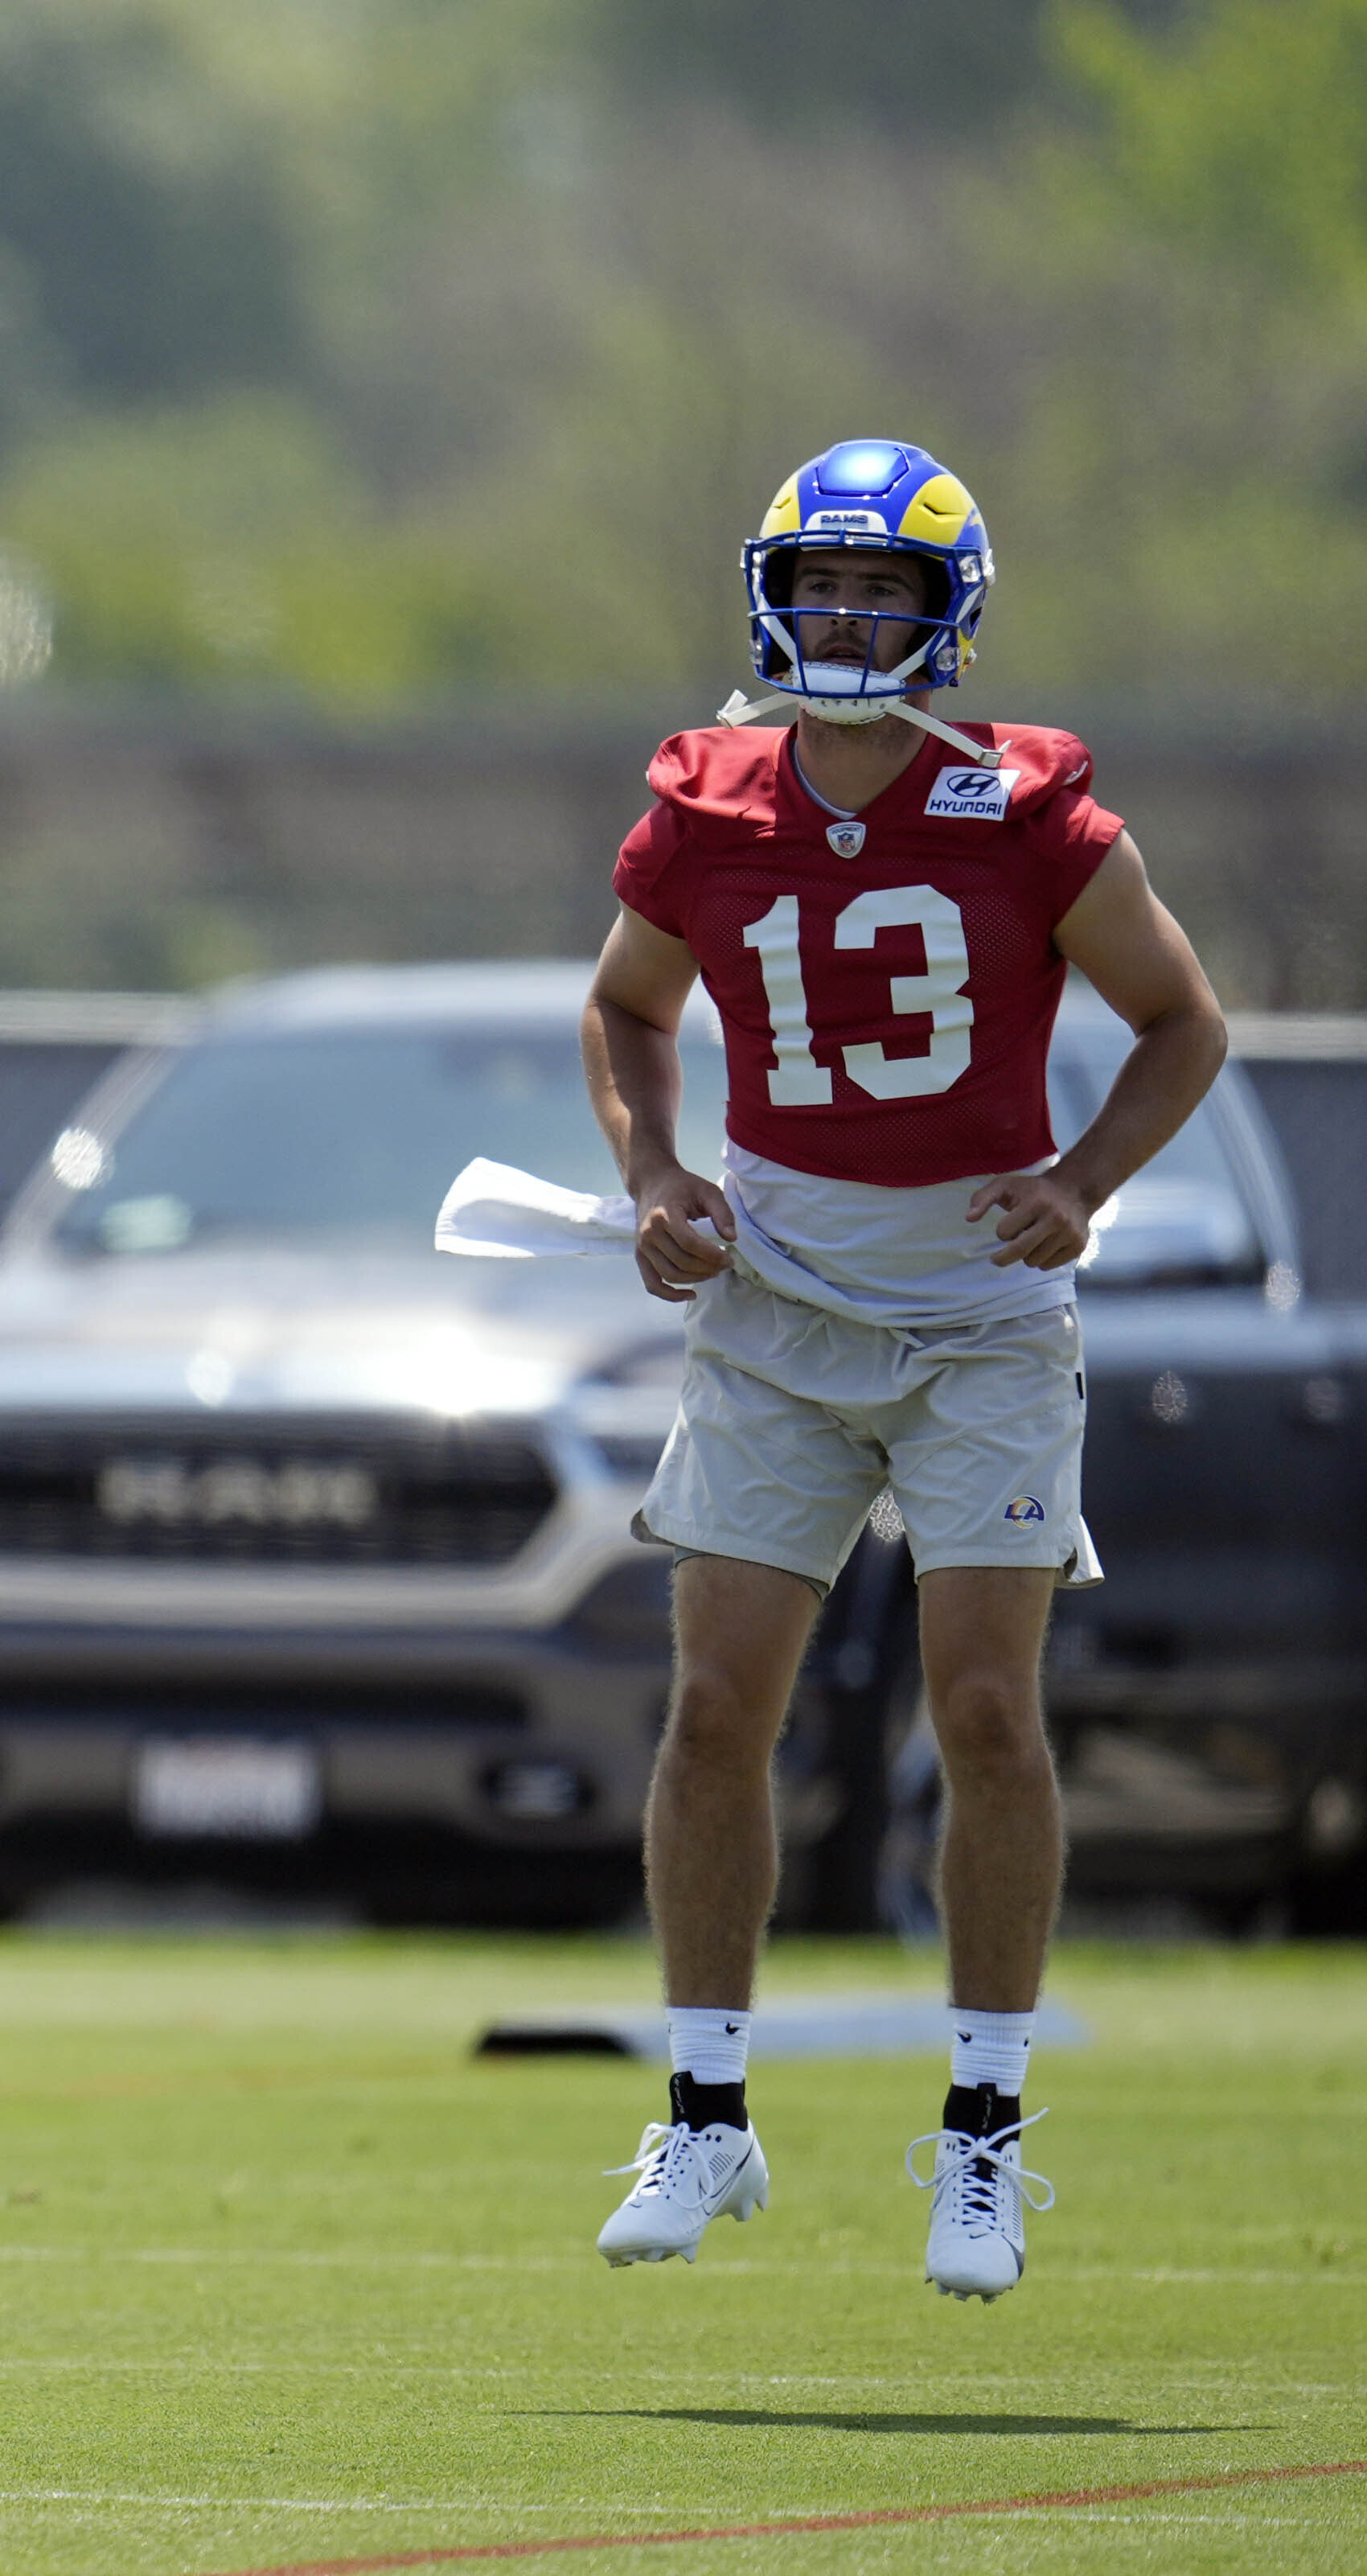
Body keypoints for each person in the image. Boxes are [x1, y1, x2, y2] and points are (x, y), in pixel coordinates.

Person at [581, 439, 1225, 2299]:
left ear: (945, 610)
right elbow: (624, 1002)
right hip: (776, 1304)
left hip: (977, 1316)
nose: (846, 615)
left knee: (986, 1716)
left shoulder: (1029, 810)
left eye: (882, 587)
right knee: (715, 1709)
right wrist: (650, 1172)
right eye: (821, 582)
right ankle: (705, 2114)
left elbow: (1181, 1017)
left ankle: (983, 2136)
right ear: (771, 594)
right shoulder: (703, 799)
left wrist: (1084, 1182)